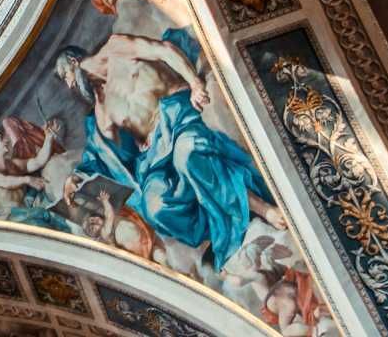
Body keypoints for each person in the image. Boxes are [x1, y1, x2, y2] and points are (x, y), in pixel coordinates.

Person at [55, 28, 285, 270]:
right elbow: (101, 157)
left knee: (188, 157)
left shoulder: (116, 48)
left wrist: (194, 83)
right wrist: (76, 176)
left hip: (177, 116)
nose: (70, 86)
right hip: (153, 156)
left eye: (66, 77)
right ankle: (218, 227)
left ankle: (260, 208)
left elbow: (164, 51)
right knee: (155, 208)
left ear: (74, 61)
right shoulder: (101, 110)